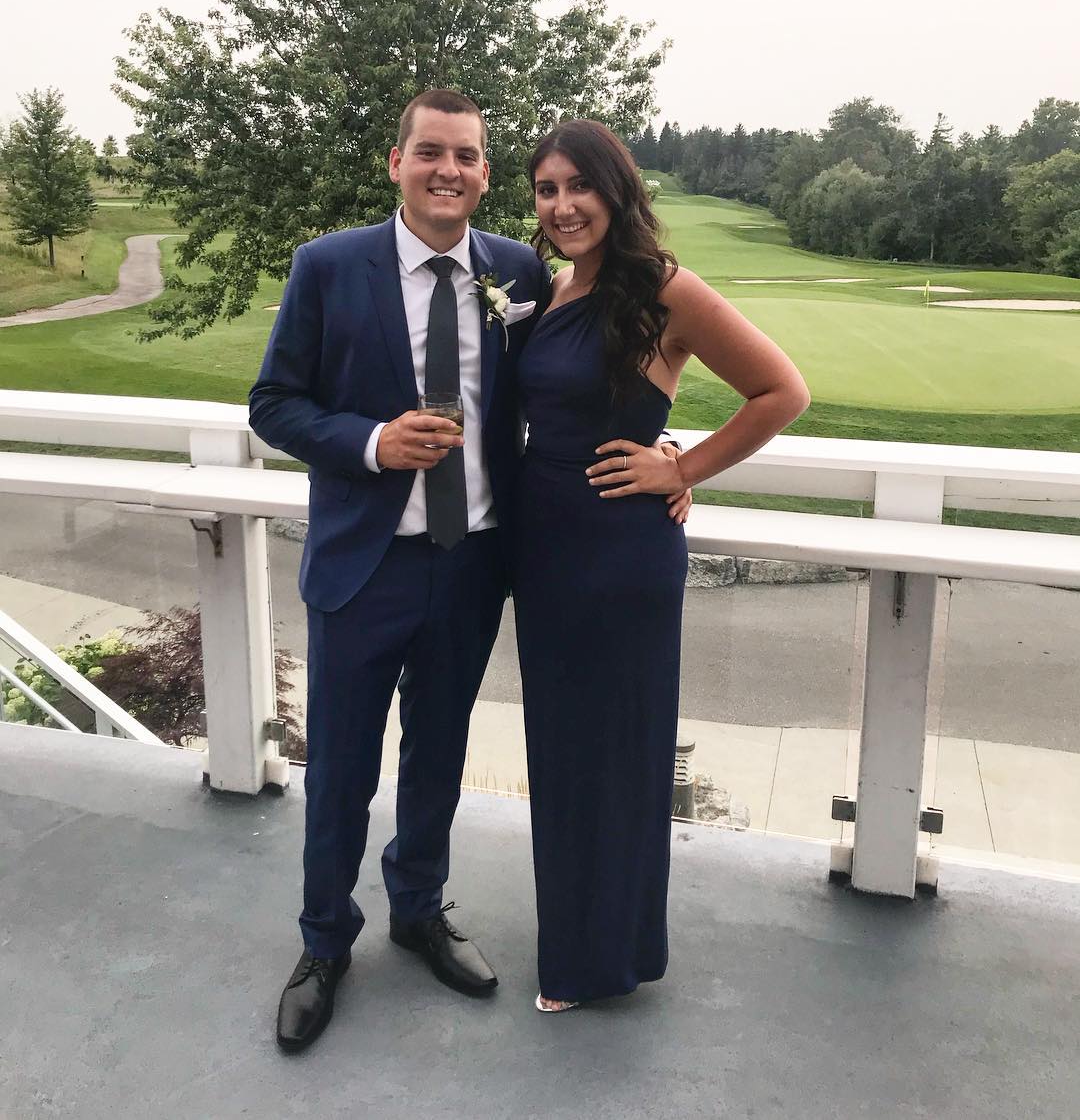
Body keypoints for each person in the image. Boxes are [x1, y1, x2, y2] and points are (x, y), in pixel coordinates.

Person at [249, 90, 554, 1052]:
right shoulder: (329, 265)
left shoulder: (518, 272)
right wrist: (373, 441)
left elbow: (565, 387)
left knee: (439, 753)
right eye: (430, 152)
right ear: (396, 163)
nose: (447, 170)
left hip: (472, 562)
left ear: (485, 173)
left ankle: (418, 909)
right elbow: (274, 403)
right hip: (364, 565)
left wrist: (664, 449)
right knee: (341, 766)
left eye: (466, 155)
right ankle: (323, 943)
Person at [513, 119, 810, 1012]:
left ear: (616, 190)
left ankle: (593, 962)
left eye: (579, 186)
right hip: (545, 547)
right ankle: (598, 941)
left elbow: (782, 391)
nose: (563, 205)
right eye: (547, 189)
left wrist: (681, 468)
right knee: (562, 751)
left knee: (615, 753)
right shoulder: (551, 285)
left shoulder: (662, 288)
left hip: (618, 553)